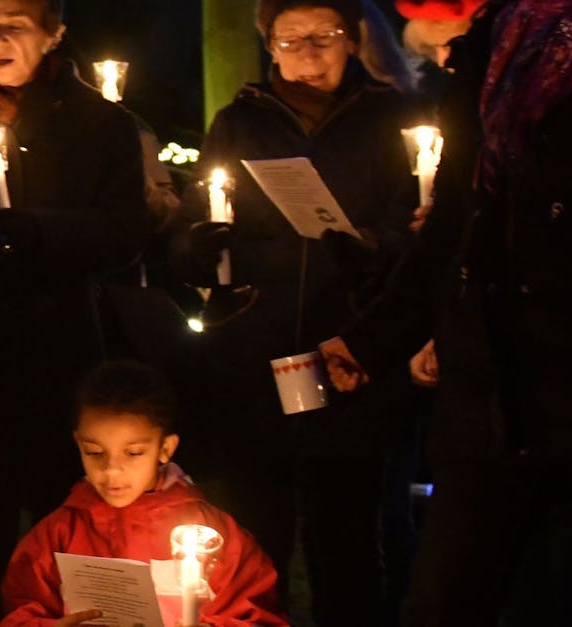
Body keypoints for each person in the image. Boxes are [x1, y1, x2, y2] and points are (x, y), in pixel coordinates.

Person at [318, 0, 572, 624]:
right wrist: (373, 339)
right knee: (443, 600)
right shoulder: (500, 35)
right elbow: (456, 216)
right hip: (494, 382)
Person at [166, 1, 420, 623]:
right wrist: (195, 248)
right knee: (256, 541)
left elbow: (421, 222)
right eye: (290, 39)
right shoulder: (238, 122)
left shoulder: (393, 120)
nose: (307, 53)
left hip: (353, 357)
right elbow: (193, 222)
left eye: (324, 37)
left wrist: (376, 245)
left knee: (351, 543)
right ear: (268, 47)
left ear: (353, 42)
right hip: (257, 357)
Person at [0, 1, 153, 622]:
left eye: (15, 25)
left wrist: (37, 231)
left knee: (66, 528)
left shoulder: (101, 124)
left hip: (63, 357)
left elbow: (125, 231)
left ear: (55, 33)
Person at [0, 362, 284, 627]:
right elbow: (22, 608)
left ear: (165, 448)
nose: (111, 470)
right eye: (94, 452)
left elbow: (256, 613)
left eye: (133, 453)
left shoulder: (212, 539)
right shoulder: (58, 536)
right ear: (77, 442)